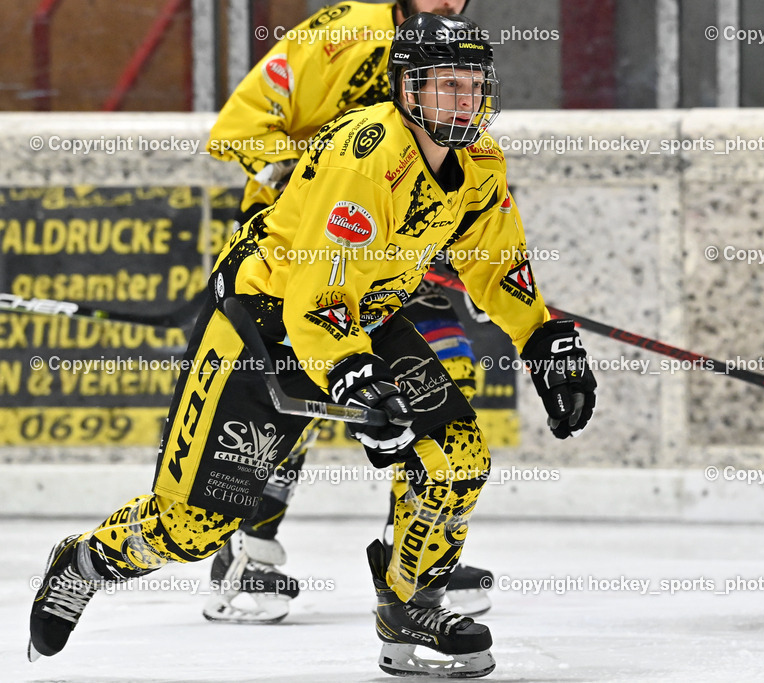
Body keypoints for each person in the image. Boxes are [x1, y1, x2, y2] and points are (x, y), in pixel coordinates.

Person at [28, 12, 597, 678]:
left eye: (472, 86)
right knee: (191, 527)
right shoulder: (368, 155)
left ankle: (412, 604)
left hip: (366, 318)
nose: (462, 101)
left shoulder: (479, 164)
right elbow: (313, 298)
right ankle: (87, 559)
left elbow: (496, 266)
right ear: (407, 91)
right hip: (265, 326)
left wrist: (544, 340)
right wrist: (358, 381)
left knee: (458, 457)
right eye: (444, 86)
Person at [202, 0, 492, 624]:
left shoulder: (459, 49)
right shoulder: (344, 32)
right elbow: (240, 123)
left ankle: (414, 558)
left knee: (447, 371)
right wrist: (304, 180)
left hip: (392, 259)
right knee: (308, 390)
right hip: (297, 255)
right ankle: (244, 552)